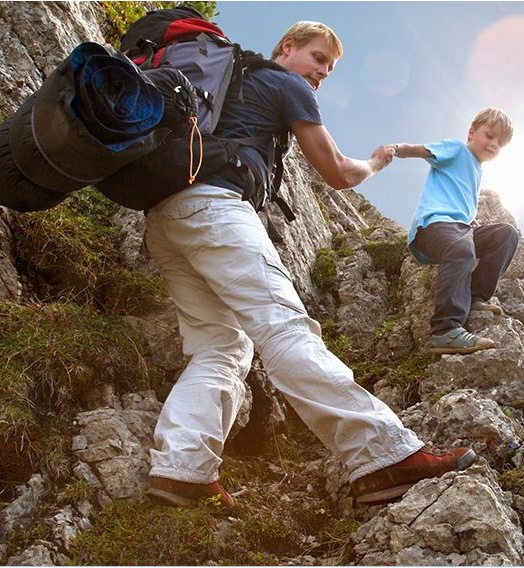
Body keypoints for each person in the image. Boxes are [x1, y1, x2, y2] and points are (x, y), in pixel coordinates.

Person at [143, 21, 476, 507]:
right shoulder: (284, 82)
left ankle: (181, 470)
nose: (322, 73)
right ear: (288, 47)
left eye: (330, 68)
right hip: (216, 208)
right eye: (319, 59)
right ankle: (382, 454)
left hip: (166, 216)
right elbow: (338, 172)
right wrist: (378, 162)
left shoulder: (233, 80)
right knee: (283, 327)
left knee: (221, 346)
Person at [391, 107, 520, 355]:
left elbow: (460, 203)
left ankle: (473, 296)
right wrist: (396, 149)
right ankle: (445, 330)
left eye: (500, 143)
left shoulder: (477, 170)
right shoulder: (457, 149)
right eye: (490, 135)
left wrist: (472, 224)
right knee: (463, 248)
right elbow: (422, 150)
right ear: (472, 133)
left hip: (460, 228)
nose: (494, 145)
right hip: (433, 226)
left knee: (506, 234)